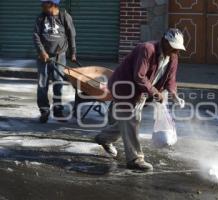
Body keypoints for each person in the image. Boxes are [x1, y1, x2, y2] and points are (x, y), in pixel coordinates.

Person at [95, 28, 186, 171]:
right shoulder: (147, 49)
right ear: (164, 41)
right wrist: (155, 92)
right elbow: (139, 76)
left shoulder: (173, 56)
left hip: (142, 92)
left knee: (126, 121)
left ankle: (104, 137)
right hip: (124, 87)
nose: (176, 51)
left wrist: (174, 94)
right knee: (132, 120)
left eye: (178, 49)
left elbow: (171, 80)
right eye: (173, 47)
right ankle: (135, 159)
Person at [33, 0, 76, 123]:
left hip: (59, 56)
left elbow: (71, 35)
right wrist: (42, 52)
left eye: (44, 3)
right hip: (43, 57)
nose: (41, 5)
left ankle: (58, 110)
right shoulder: (41, 18)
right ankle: (44, 111)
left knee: (58, 83)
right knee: (42, 84)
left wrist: (73, 52)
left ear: (53, 4)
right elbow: (36, 36)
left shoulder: (64, 16)